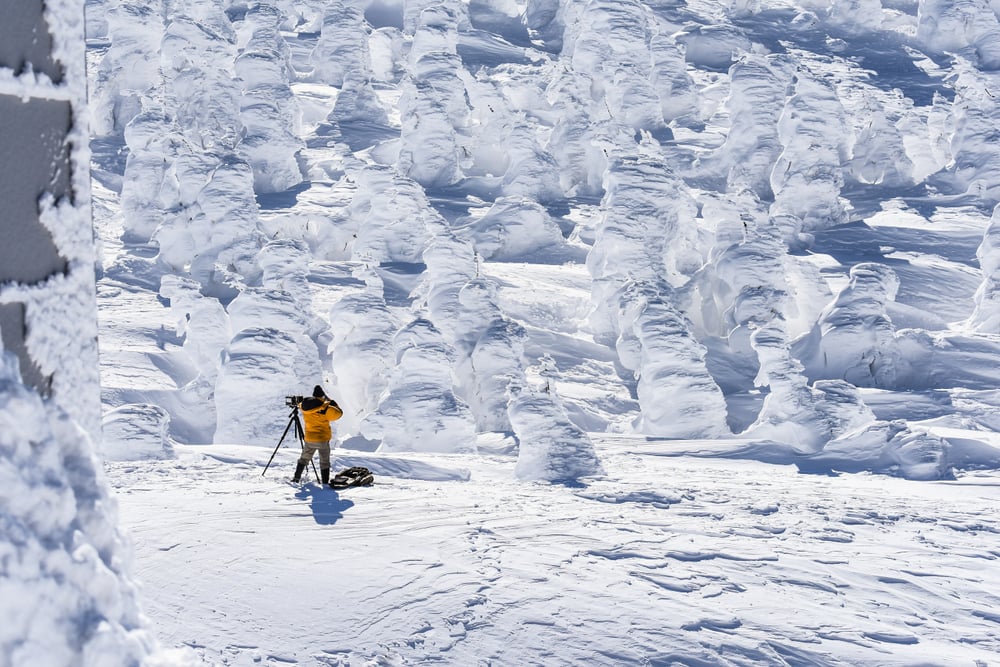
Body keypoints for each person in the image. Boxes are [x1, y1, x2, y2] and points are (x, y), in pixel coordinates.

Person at [292, 385, 343, 485]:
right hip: (322, 440)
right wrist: (332, 403)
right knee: (324, 462)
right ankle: (324, 482)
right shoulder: (326, 408)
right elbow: (339, 414)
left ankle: (296, 478)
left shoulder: (304, 406)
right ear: (322, 396)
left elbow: (299, 404)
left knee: (304, 459)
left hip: (309, 439)